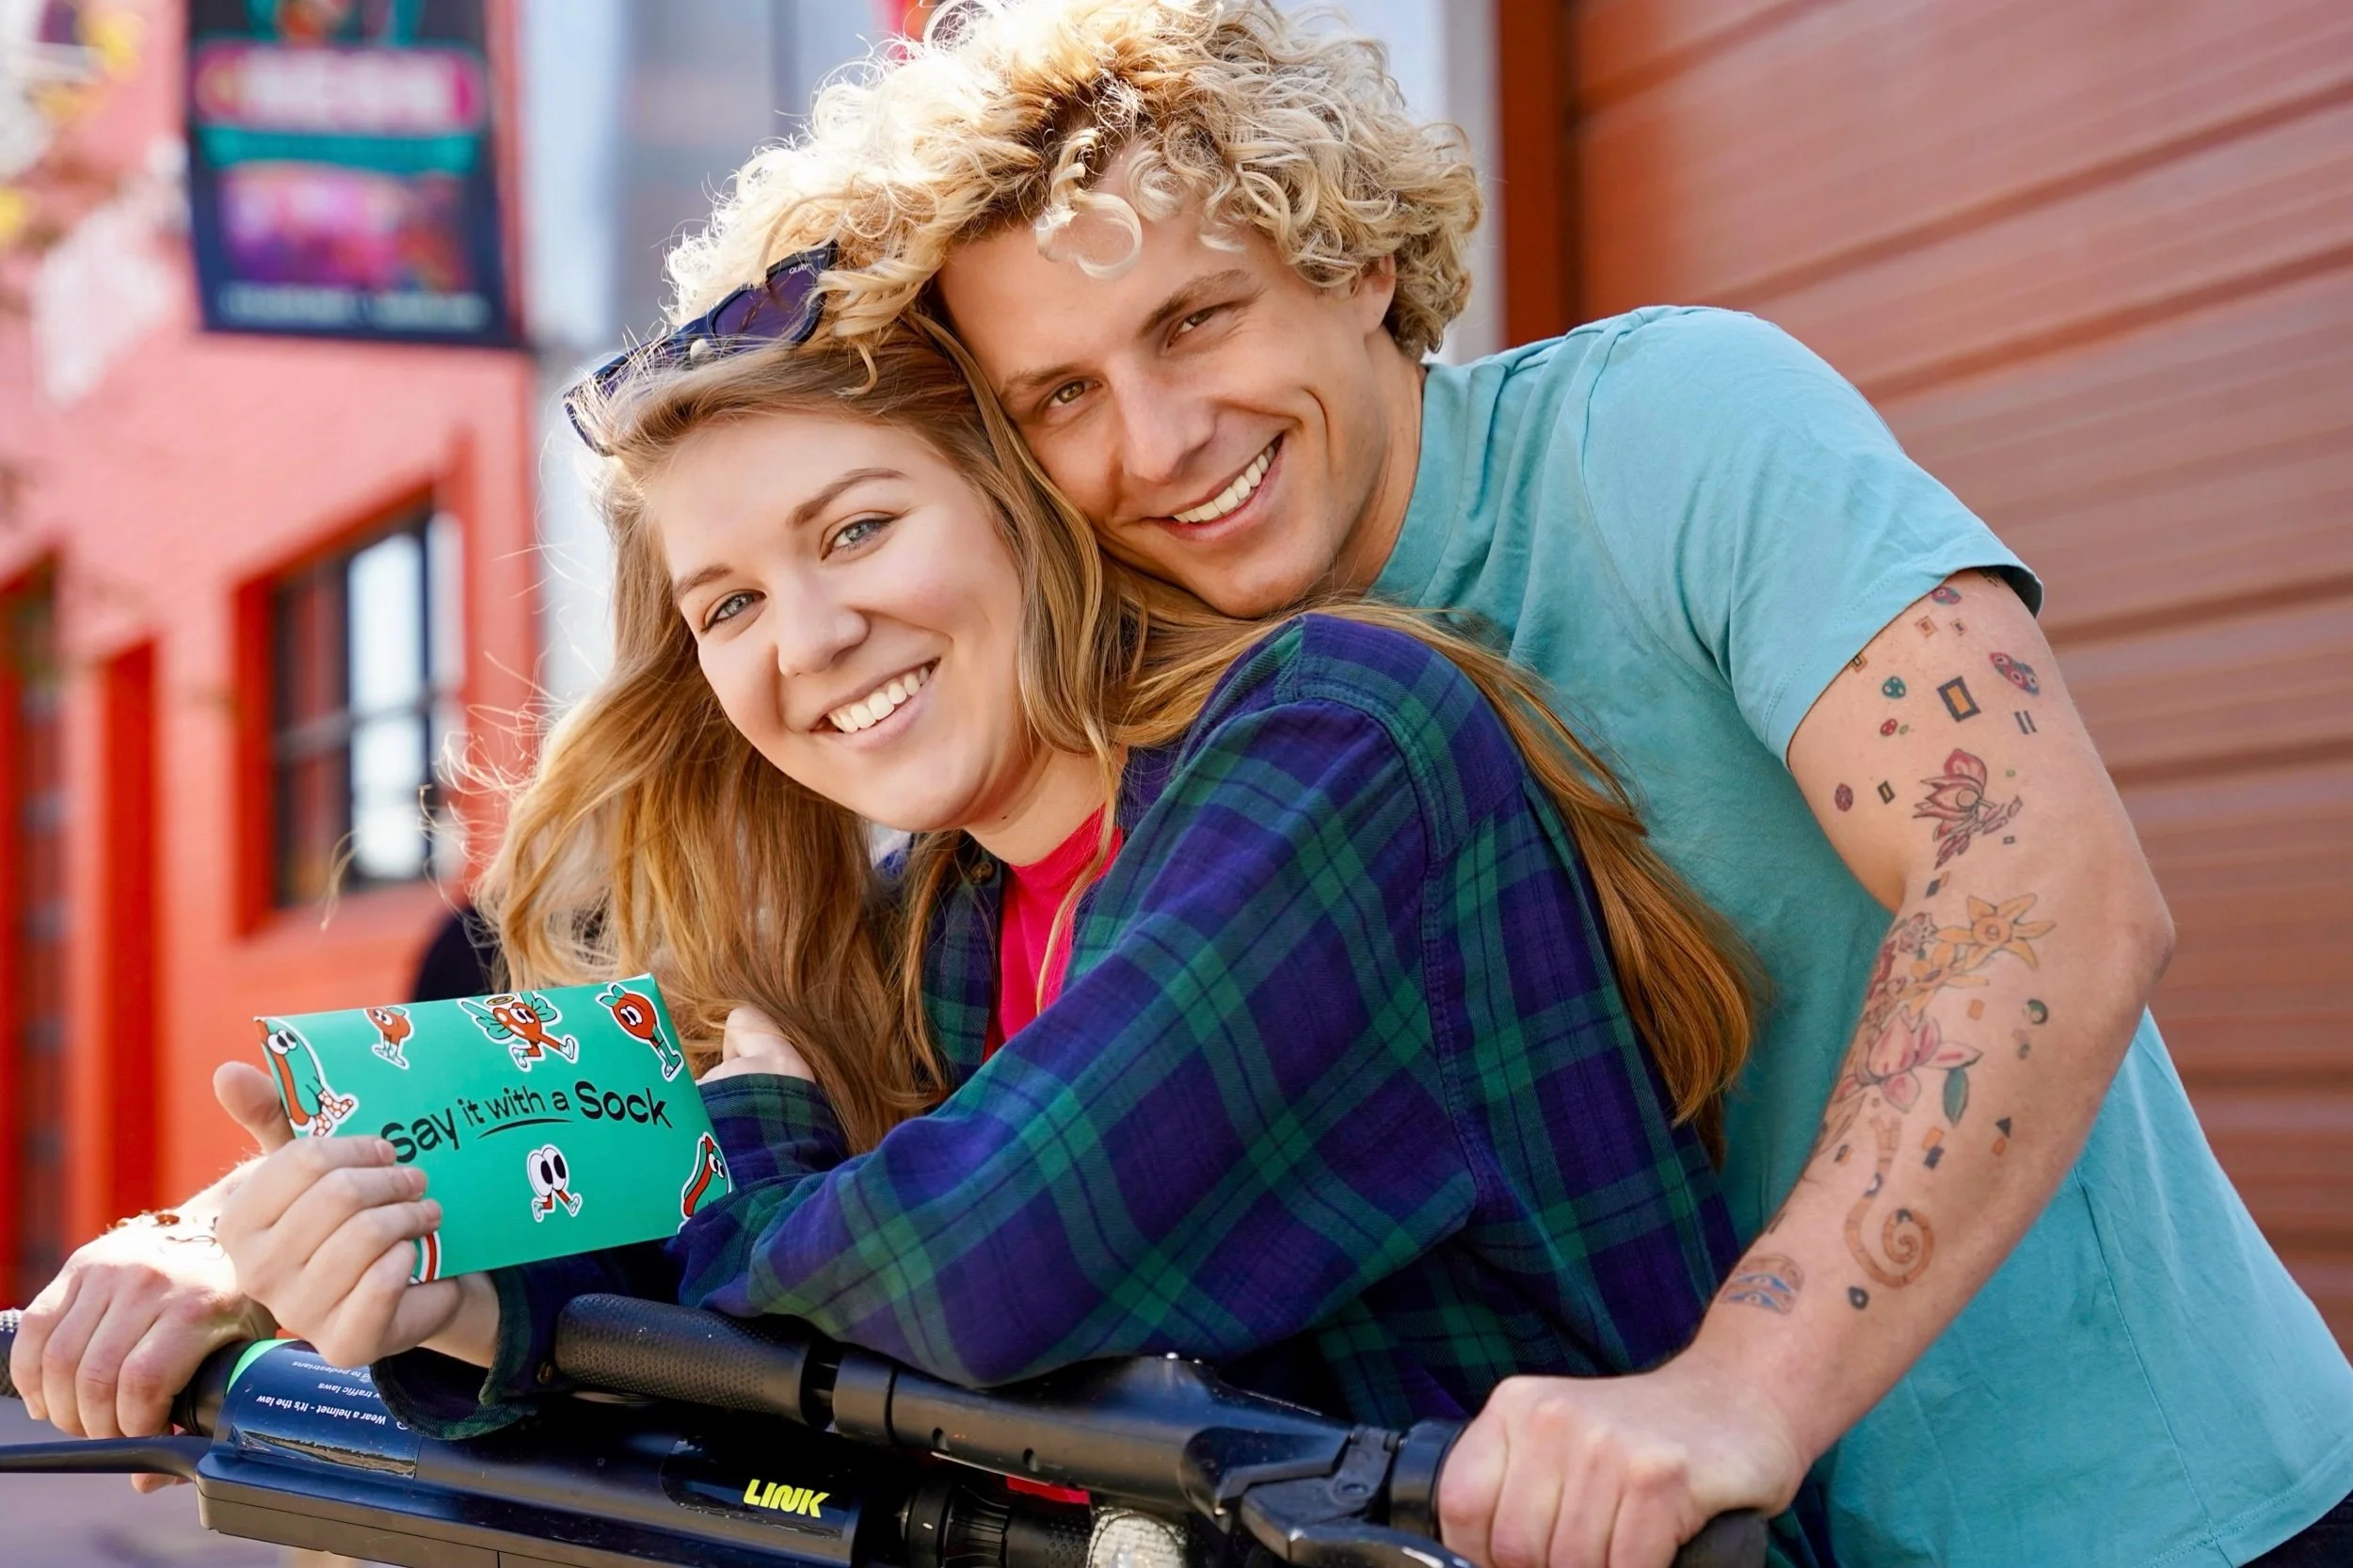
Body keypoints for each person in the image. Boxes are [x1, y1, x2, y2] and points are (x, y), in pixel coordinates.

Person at [22, 3, 2353, 1563]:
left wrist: (1734, 1387)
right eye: (1054, 395)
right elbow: (740, 1102)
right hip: (1633, 1488)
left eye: (1198, 318)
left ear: (1354, 257)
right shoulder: (1064, 814)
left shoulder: (1632, 466)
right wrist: (238, 1228)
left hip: (2120, 1497)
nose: (1151, 439)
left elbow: (2043, 896)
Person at [214, 314, 1827, 1568]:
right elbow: (709, 1278)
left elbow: (968, 1270)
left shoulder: (1333, 746)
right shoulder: (942, 912)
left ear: (1015, 501)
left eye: (855, 530)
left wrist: (763, 1146)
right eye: (730, 605)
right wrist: (412, 1275)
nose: (811, 638)